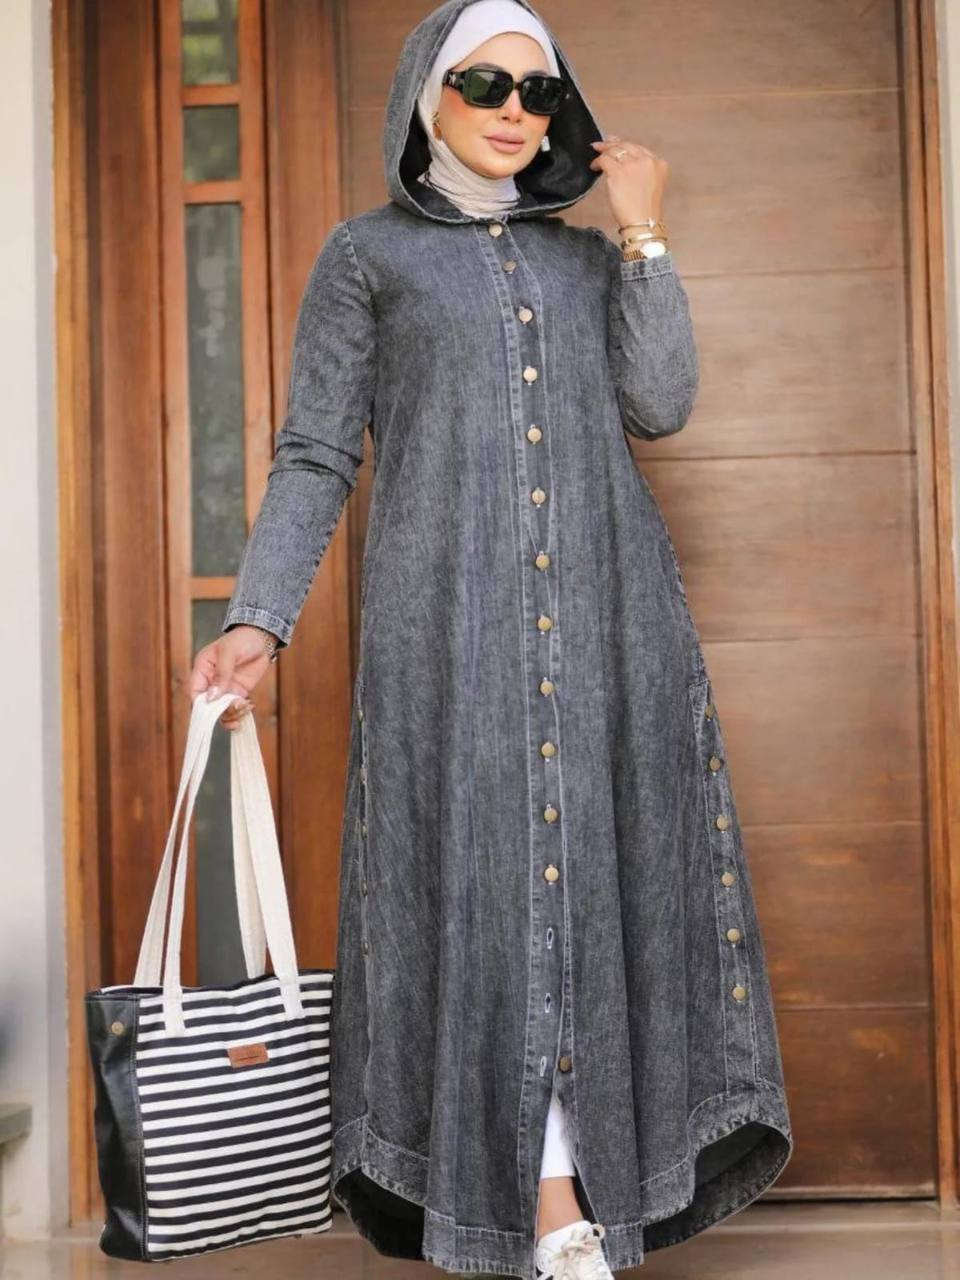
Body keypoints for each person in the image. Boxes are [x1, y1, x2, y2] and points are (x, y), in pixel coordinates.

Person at [189, 1, 793, 1278]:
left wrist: (642, 230)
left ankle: (571, 1201)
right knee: (488, 899)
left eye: (539, 90)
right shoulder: (368, 257)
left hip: (611, 630)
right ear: (428, 96)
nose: (516, 109)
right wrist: (257, 618)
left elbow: (661, 401)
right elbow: (315, 450)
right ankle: (542, 1206)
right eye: (484, 84)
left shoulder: (587, 261)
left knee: (593, 895)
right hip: (446, 633)